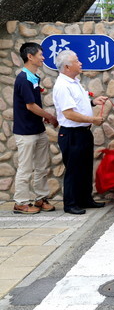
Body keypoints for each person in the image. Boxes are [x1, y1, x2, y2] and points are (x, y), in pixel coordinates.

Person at [52, 50, 108, 215]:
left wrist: (92, 102)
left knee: (84, 167)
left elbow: (77, 104)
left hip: (83, 132)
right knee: (73, 169)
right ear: (68, 66)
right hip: (71, 133)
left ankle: (85, 199)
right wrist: (93, 120)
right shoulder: (62, 86)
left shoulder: (74, 81)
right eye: (77, 60)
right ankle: (70, 204)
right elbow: (68, 113)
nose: (81, 63)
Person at [12, 42, 58, 214]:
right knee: (25, 168)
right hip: (25, 132)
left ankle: (40, 198)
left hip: (38, 129)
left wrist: (43, 118)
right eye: (40, 55)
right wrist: (50, 117)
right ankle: (21, 202)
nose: (43, 58)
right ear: (30, 57)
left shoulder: (33, 78)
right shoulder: (23, 79)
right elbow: (30, 106)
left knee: (41, 167)